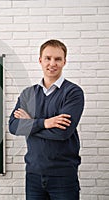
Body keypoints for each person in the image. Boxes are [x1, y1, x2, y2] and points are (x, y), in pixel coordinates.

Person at [9, 39, 84, 200]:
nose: (52, 63)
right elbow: (14, 127)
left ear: (64, 61)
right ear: (40, 60)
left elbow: (61, 133)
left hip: (63, 176)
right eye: (48, 58)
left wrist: (30, 123)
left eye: (58, 59)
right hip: (33, 176)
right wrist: (45, 122)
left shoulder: (73, 93)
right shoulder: (28, 94)